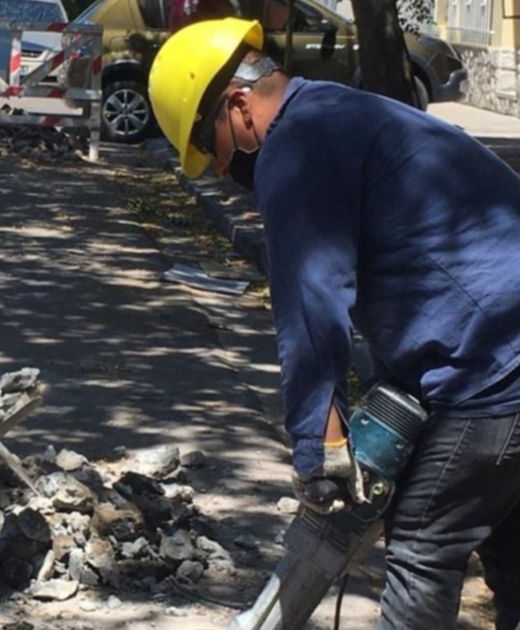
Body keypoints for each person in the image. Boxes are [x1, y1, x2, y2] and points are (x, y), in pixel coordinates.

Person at [148, 17, 520, 629]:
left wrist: (316, 451)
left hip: (491, 371)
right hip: (497, 348)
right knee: (510, 549)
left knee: (424, 546)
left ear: (239, 107)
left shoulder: (296, 147)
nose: (219, 169)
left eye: (210, 147)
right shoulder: (339, 110)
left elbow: (310, 305)